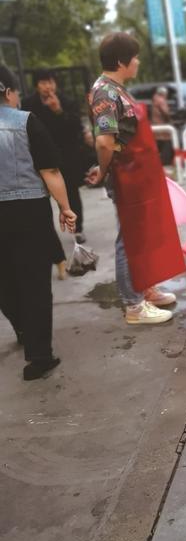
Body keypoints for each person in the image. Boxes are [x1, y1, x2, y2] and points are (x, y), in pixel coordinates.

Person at [85, 33, 186, 325]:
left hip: (138, 174)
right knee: (128, 238)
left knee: (142, 235)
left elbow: (121, 137)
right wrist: (104, 170)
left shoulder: (116, 89)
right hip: (125, 176)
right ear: (121, 62)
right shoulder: (105, 92)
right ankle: (133, 305)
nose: (138, 62)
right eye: (135, 57)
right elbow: (105, 142)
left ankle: (144, 288)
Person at [0, 66, 77, 380]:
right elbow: (50, 170)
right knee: (33, 280)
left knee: (4, 278)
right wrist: (65, 207)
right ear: (8, 92)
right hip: (29, 210)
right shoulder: (26, 121)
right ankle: (39, 355)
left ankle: (21, 327)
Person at [22, 69, 88, 243]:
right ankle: (47, 233)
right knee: (41, 196)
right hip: (39, 156)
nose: (48, 87)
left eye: (51, 82)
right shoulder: (28, 104)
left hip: (65, 155)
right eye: (43, 83)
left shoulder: (67, 101)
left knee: (71, 192)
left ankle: (78, 228)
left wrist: (58, 110)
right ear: (36, 85)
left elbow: (76, 127)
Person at [151, 85, 174, 166]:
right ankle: (165, 160)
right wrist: (170, 119)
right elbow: (165, 112)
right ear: (164, 93)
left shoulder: (155, 99)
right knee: (167, 141)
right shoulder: (161, 100)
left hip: (155, 123)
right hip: (162, 124)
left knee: (158, 142)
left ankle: (155, 159)